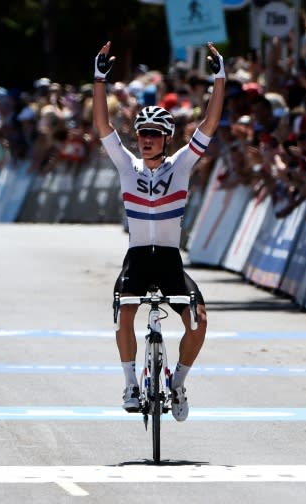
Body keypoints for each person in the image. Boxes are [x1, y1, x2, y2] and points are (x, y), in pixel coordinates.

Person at [92, 40, 225, 421]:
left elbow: (209, 124)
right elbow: (102, 126)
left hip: (169, 260)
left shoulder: (181, 165)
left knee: (199, 321)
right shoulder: (126, 165)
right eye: (142, 133)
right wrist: (99, 79)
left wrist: (220, 79)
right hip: (137, 259)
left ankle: (178, 383)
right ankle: (130, 384)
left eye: (154, 133)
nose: (146, 138)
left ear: (167, 138)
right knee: (125, 314)